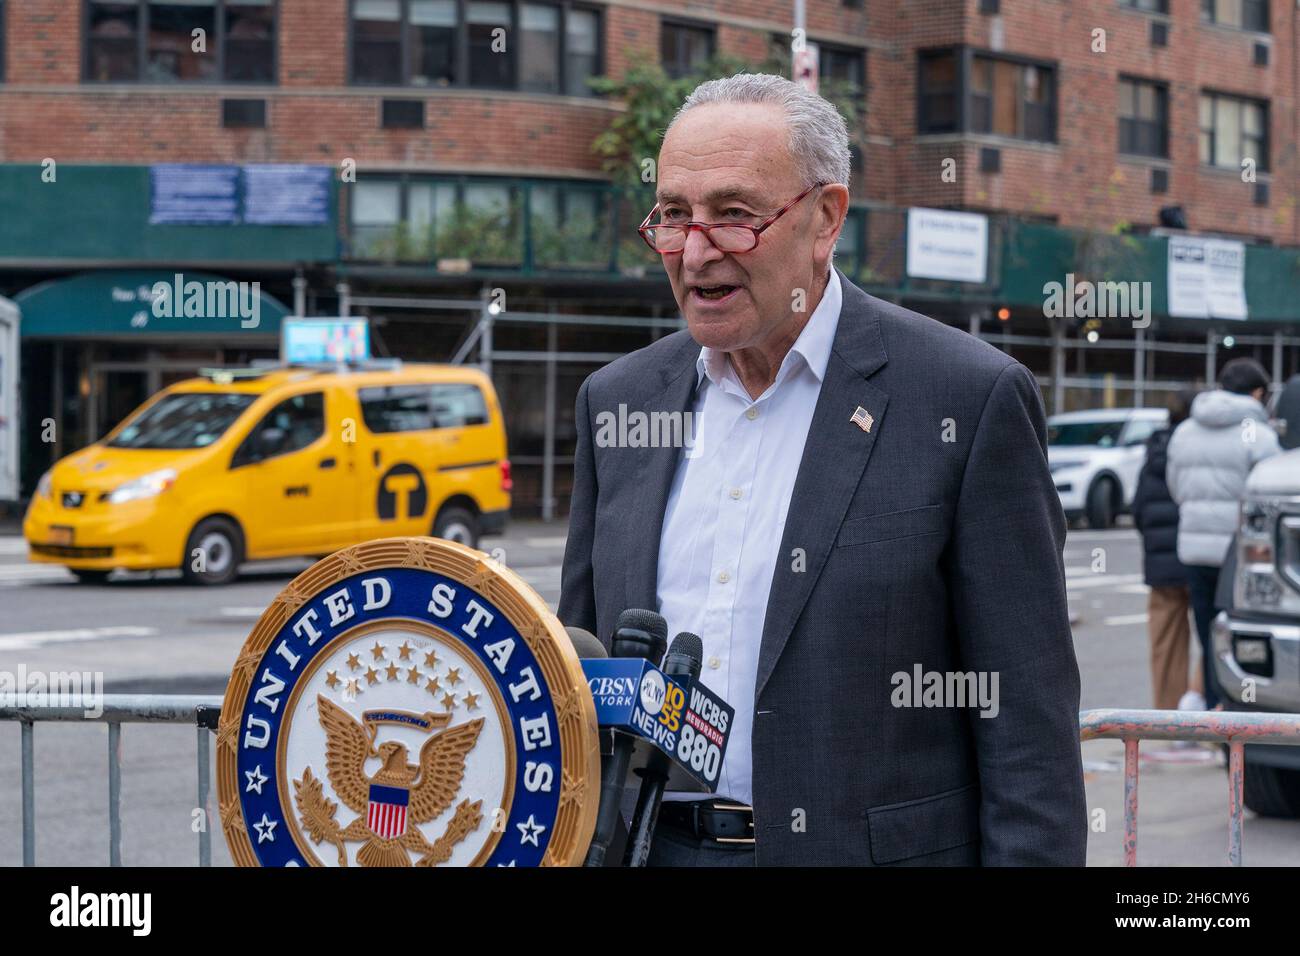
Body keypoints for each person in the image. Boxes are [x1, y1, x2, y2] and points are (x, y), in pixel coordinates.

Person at [558, 73, 1086, 866]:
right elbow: (577, 682)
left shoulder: (968, 399)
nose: (695, 250)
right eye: (673, 216)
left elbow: (1027, 736)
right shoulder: (618, 402)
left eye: (734, 216)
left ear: (825, 218)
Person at [1166, 358, 1282, 710]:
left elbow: (1176, 487)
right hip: (1239, 555)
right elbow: (1271, 497)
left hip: (1195, 550)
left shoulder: (1185, 431)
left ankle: (1214, 715)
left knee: (1206, 635)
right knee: (1240, 640)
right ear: (1258, 392)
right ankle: (1236, 716)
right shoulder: (1259, 435)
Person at [1131, 389, 1203, 711]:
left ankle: (1168, 717)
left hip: (1162, 564)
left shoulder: (1156, 448)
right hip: (1202, 558)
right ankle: (1204, 708)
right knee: (1215, 638)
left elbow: (1140, 507)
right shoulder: (1200, 446)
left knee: (1165, 644)